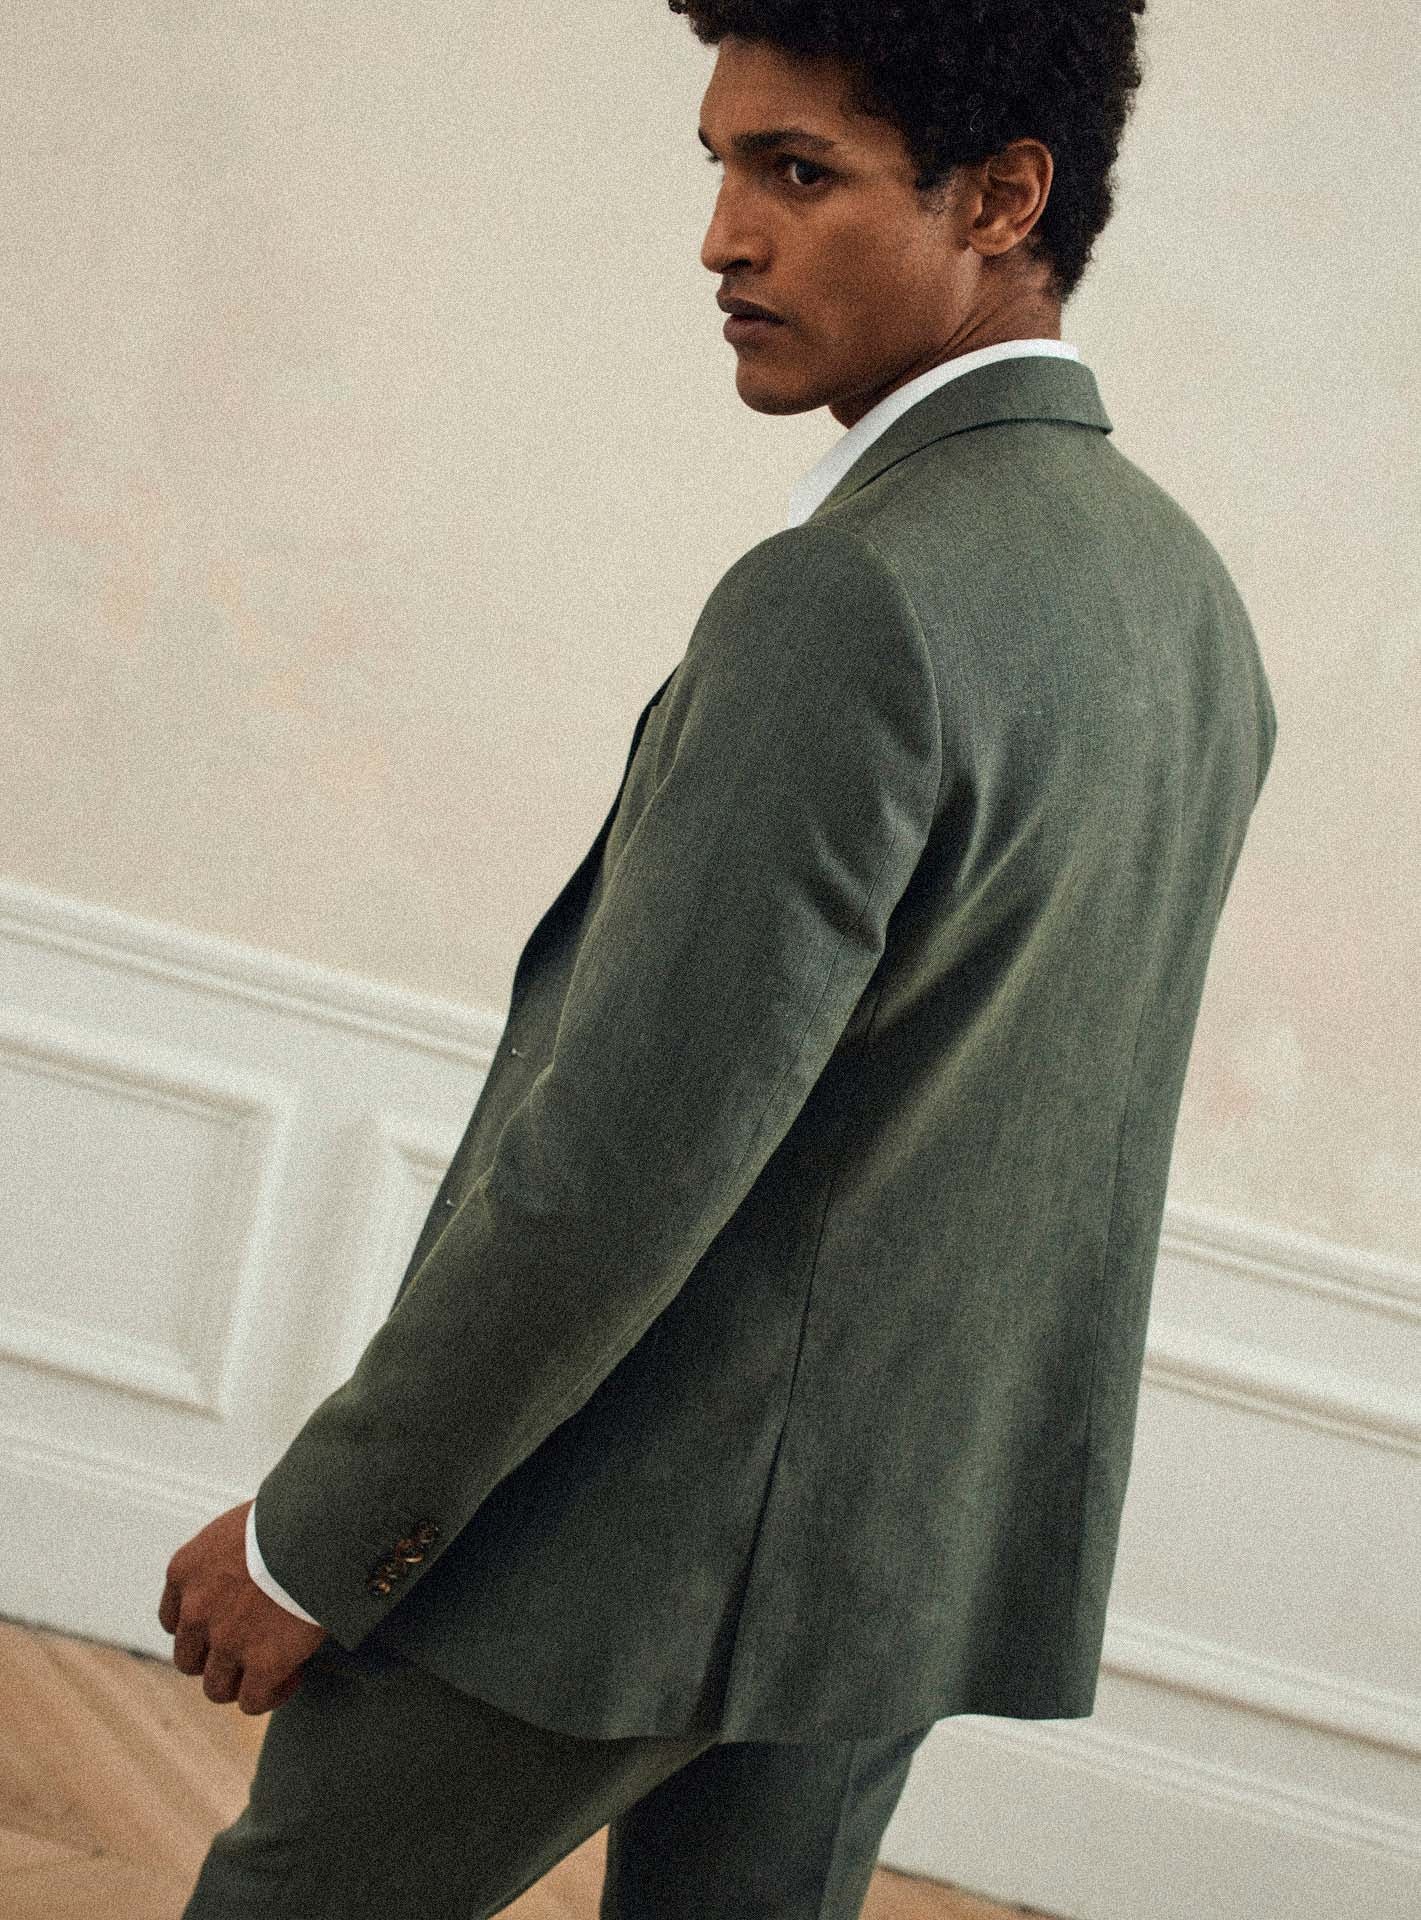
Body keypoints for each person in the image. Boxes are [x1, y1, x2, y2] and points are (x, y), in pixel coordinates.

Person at [167, 5, 1278, 1916]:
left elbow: (621, 1161)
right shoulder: (1178, 598)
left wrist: (317, 1535)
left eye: (797, 172)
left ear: (1002, 198)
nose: (722, 238)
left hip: (615, 1544)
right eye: (722, 167)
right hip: (890, 1556)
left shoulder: (845, 595)